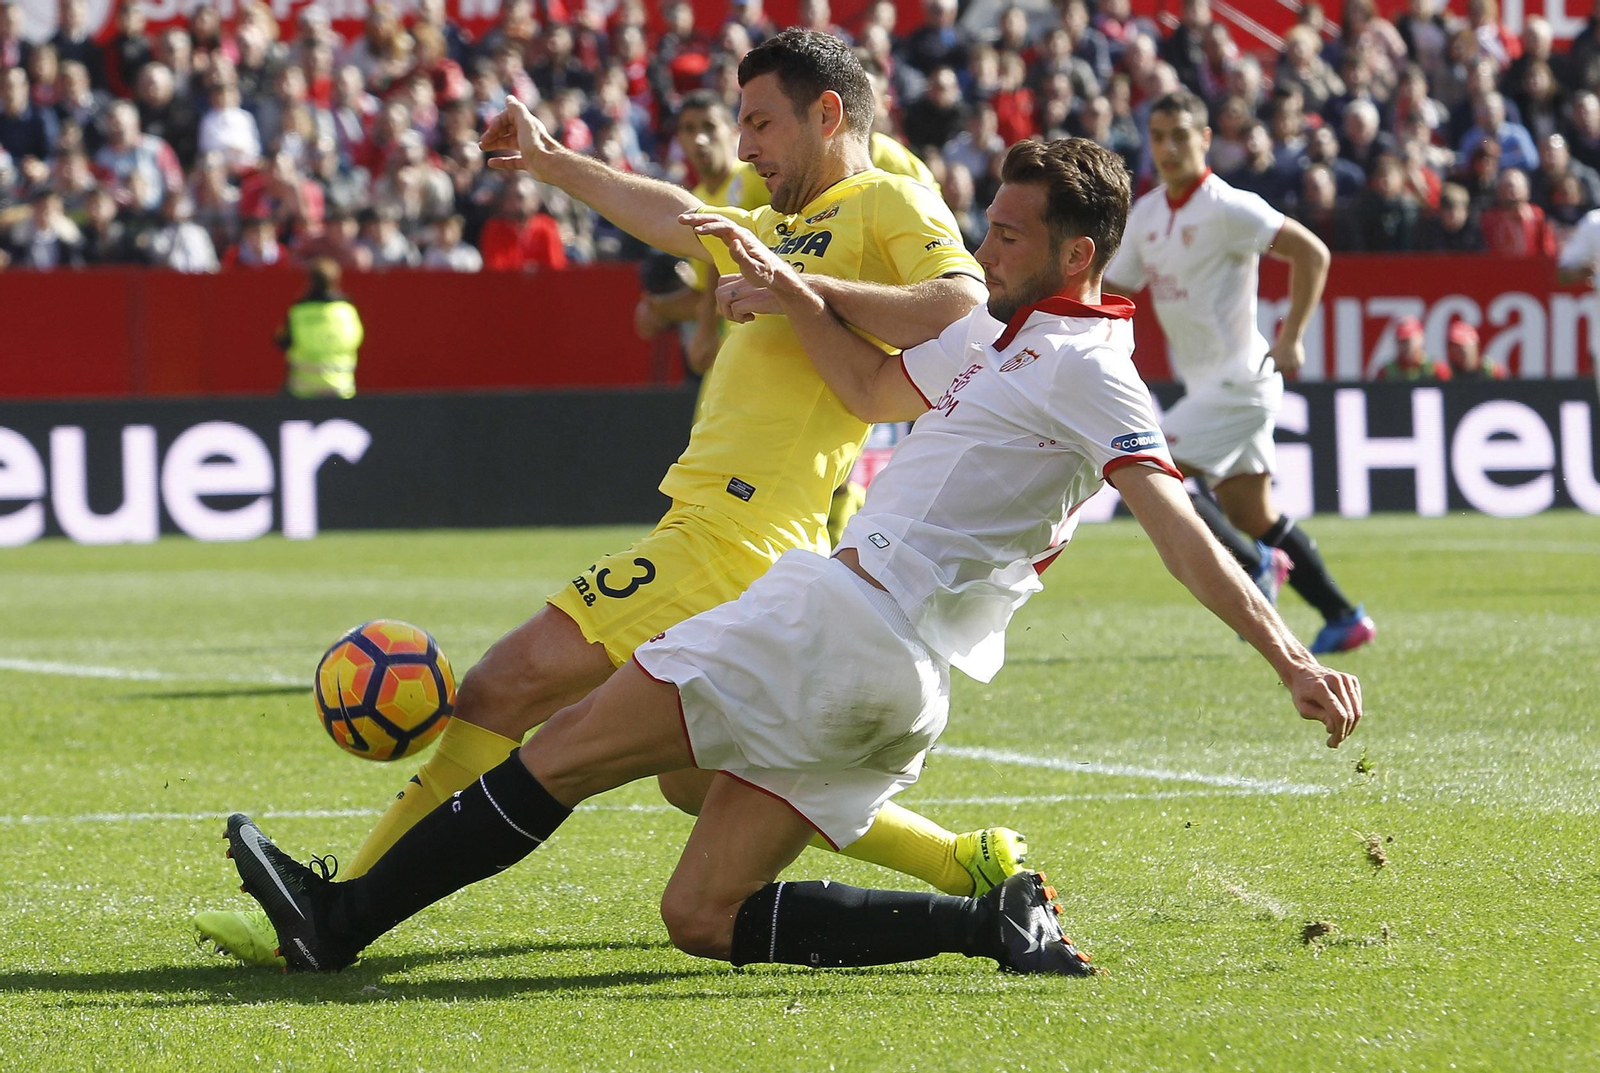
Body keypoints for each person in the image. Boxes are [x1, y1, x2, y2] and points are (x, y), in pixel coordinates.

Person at [222, 137, 1364, 977]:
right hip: (897, 685)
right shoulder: (989, 337)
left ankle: (341, 920)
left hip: (843, 616)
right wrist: (792, 289)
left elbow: (1172, 524)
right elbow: (868, 387)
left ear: (1077, 250)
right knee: (700, 916)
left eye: (1008, 234)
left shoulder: (1087, 366)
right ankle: (992, 915)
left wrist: (1287, 658)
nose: (985, 245)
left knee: (559, 746)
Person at [196, 30, 1016, 968]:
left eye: (761, 123)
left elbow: (964, 304)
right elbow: (677, 216)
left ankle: (323, 913)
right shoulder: (785, 218)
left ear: (828, 115)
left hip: (734, 536)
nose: (745, 146)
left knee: (507, 682)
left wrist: (796, 289)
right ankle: (963, 864)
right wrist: (550, 162)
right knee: (692, 780)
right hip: (729, 535)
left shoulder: (887, 199)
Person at [1104, 90, 1377, 655]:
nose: (1169, 148)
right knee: (1250, 511)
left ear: (1205, 139)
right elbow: (1116, 290)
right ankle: (1343, 615)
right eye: (1158, 137)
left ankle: (1255, 566)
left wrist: (1293, 336)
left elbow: (1312, 254)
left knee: (1150, 471)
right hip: (1206, 386)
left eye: (1181, 135)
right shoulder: (1149, 215)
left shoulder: (1229, 206)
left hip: (1243, 381)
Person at [274, 257, 363, 399]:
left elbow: (281, 340)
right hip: (342, 390)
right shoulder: (347, 311)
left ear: (310, 282)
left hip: (302, 391)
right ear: (336, 281)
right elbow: (356, 340)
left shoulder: (298, 312)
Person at [1374, 316, 1451, 381]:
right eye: (1401, 341)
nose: (1406, 346)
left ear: (1420, 339)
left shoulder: (1436, 369)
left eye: (1409, 341)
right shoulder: (1386, 371)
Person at [1442, 320, 1507, 379]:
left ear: (1475, 347)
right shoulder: (1445, 374)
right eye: (1455, 347)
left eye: (1466, 346)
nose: (1463, 352)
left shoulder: (1492, 372)